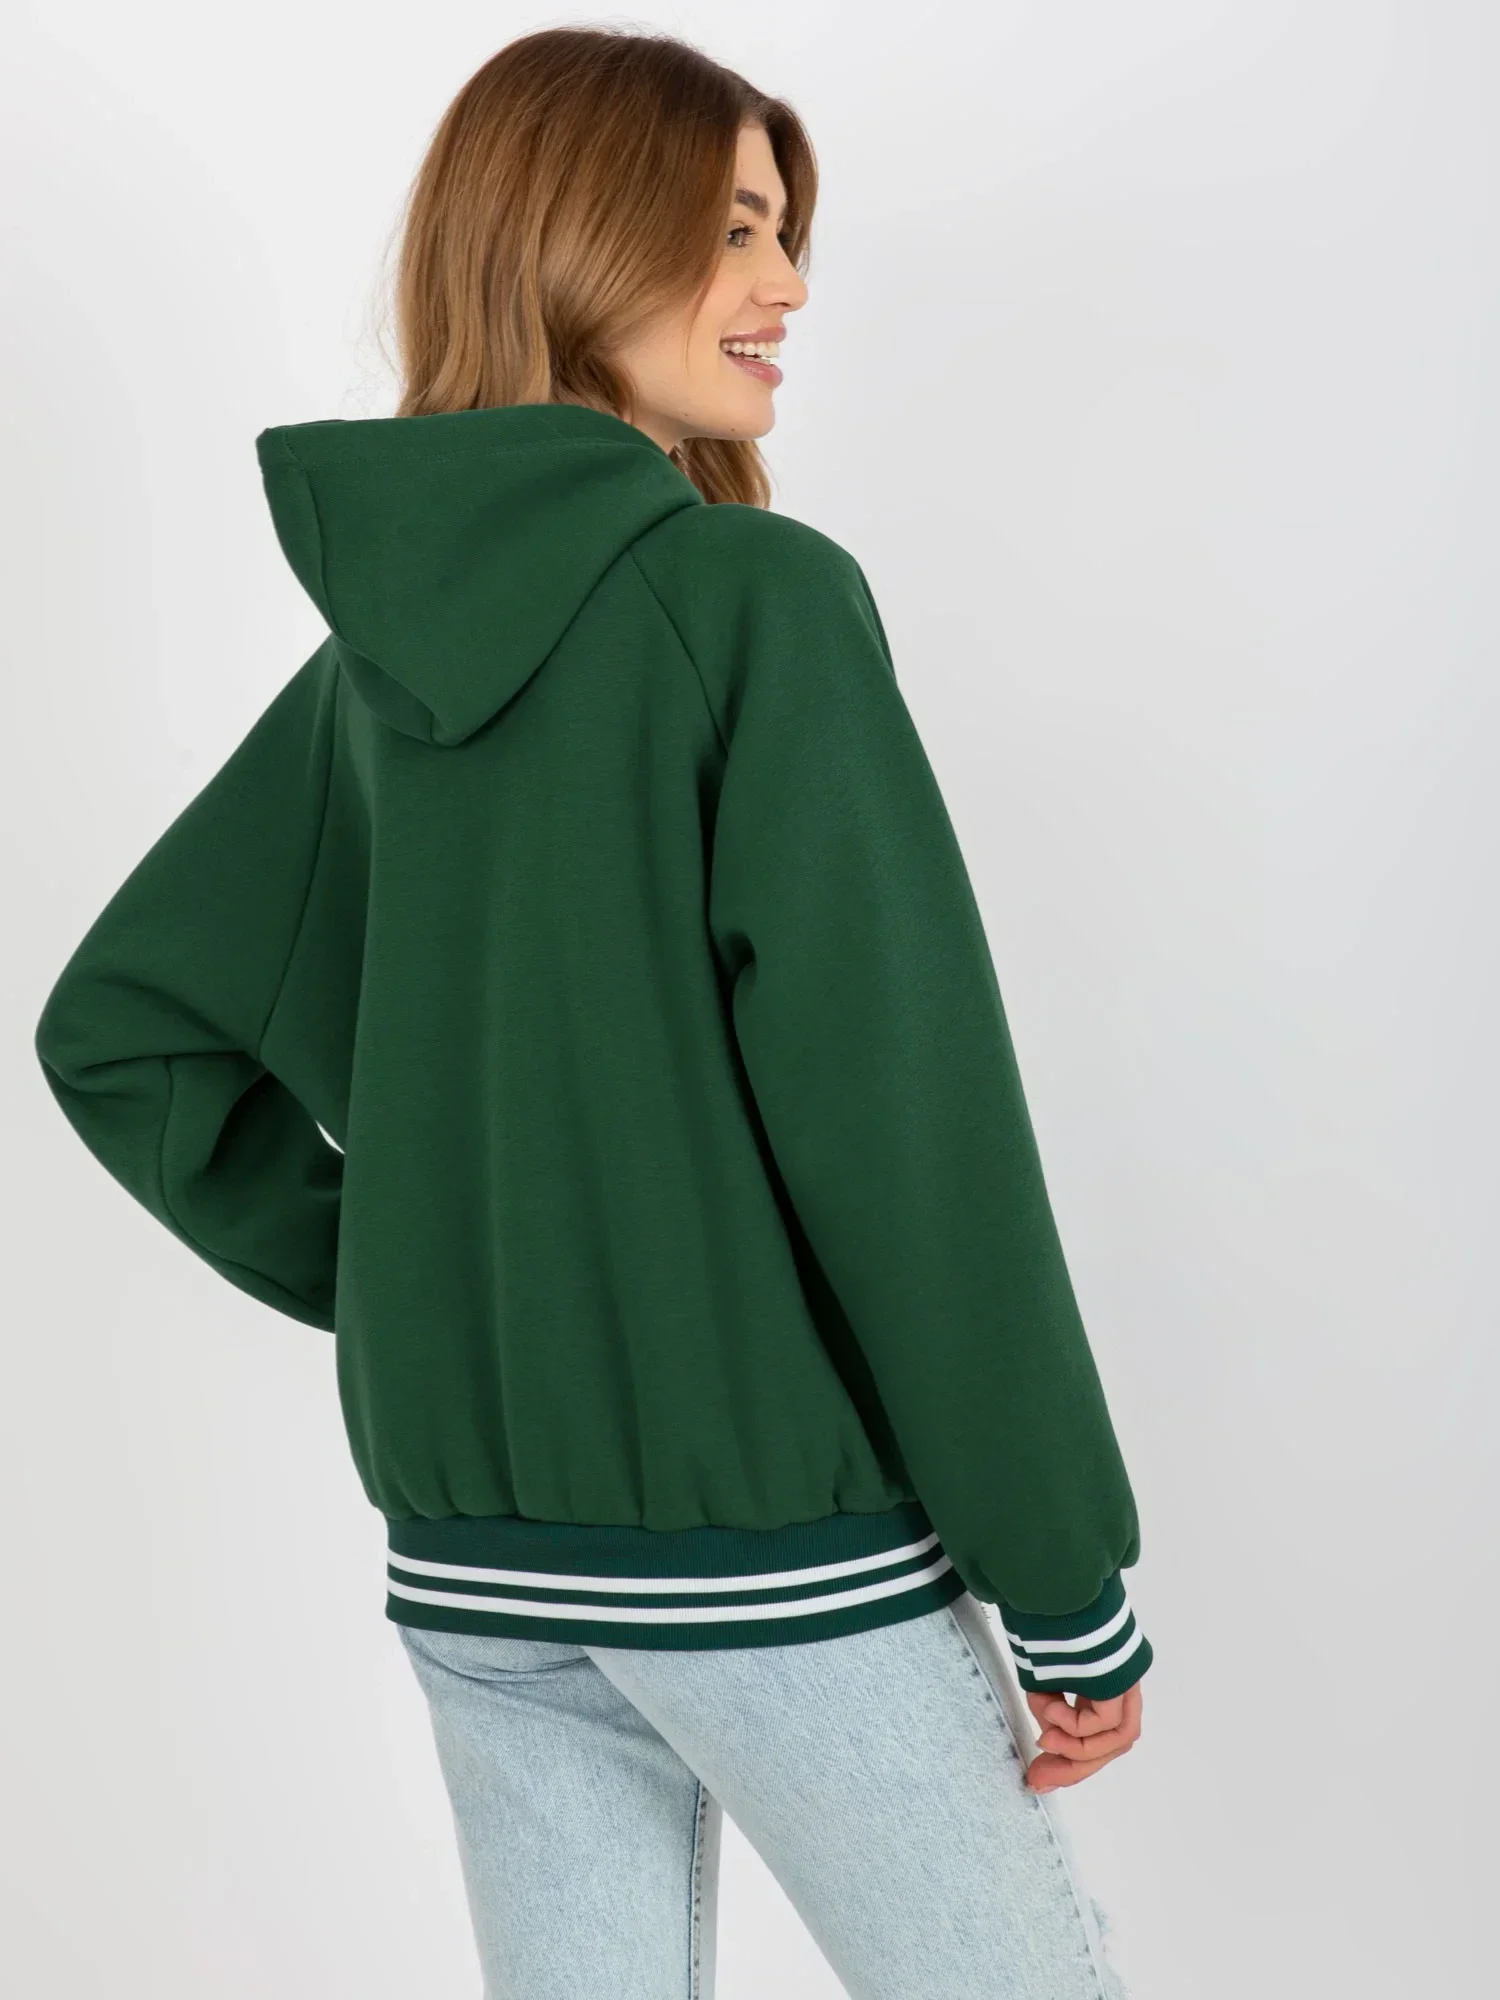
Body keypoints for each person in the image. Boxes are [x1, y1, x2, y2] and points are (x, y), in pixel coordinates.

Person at [33, 26, 1152, 2000]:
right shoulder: (751, 605)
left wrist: (435, 1283)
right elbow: (912, 1135)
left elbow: (127, 1036)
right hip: (766, 1559)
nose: (787, 284)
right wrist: (1067, 1585)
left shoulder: (374, 681)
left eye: (785, 232)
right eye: (734, 229)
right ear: (576, 240)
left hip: (480, 1580)